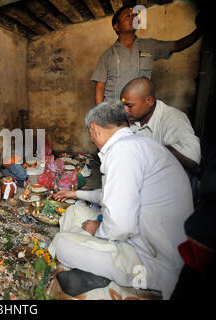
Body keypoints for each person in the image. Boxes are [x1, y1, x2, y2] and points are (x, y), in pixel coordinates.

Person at [50, 100, 194, 299]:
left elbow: (120, 226)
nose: (91, 139)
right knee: (75, 209)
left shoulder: (122, 152)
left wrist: (96, 229)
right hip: (148, 241)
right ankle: (92, 262)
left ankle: (100, 269)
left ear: (94, 129)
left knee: (61, 244)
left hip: (154, 261)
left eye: (90, 133)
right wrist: (75, 194)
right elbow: (112, 195)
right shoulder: (138, 144)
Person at [91, 4, 204, 104]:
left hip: (140, 112)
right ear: (117, 26)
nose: (133, 18)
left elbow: (177, 45)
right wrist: (102, 116)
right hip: (114, 112)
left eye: (135, 15)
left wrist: (199, 31)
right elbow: (100, 88)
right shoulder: (107, 56)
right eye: (128, 16)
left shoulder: (149, 45)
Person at [120, 76, 200, 175]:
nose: (125, 110)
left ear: (149, 101)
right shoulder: (131, 117)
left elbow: (193, 159)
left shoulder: (174, 118)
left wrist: (147, 149)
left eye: (129, 105)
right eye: (123, 105)